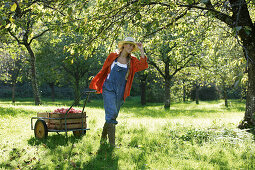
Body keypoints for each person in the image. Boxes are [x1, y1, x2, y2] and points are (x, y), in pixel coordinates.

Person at [89, 37, 148, 147]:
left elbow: (143, 65)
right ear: (123, 45)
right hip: (109, 88)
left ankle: (103, 139)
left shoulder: (132, 61)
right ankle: (112, 145)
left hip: (121, 90)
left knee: (112, 115)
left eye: (132, 46)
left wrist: (141, 50)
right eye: (129, 45)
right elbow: (104, 69)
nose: (130, 47)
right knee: (112, 113)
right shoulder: (112, 56)